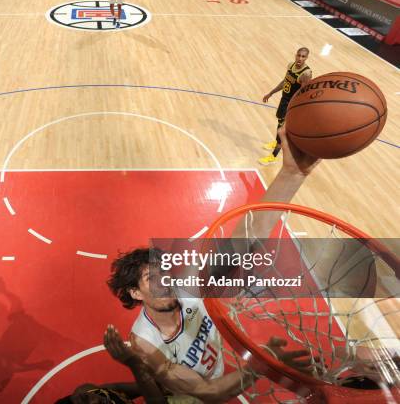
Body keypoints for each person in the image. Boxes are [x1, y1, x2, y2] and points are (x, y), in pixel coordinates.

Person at [107, 126, 320, 402]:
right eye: (152, 278)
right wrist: (260, 366)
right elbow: (205, 393)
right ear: (135, 293)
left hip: (219, 375)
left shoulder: (189, 286)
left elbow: (246, 238)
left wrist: (292, 174)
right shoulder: (145, 342)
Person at [57, 325, 166, 404]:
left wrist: (159, 385)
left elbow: (116, 389)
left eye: (86, 398)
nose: (95, 400)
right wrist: (134, 364)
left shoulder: (88, 391)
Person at [259, 47, 312, 166]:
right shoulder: (290, 65)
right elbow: (285, 82)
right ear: (295, 55)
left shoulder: (306, 73)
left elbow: (302, 93)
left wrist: (294, 108)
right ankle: (275, 142)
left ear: (306, 58)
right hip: (284, 99)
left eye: (303, 56)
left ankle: (273, 156)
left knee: (282, 129)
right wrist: (271, 93)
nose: (300, 58)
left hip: (291, 104)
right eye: (298, 55)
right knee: (279, 122)